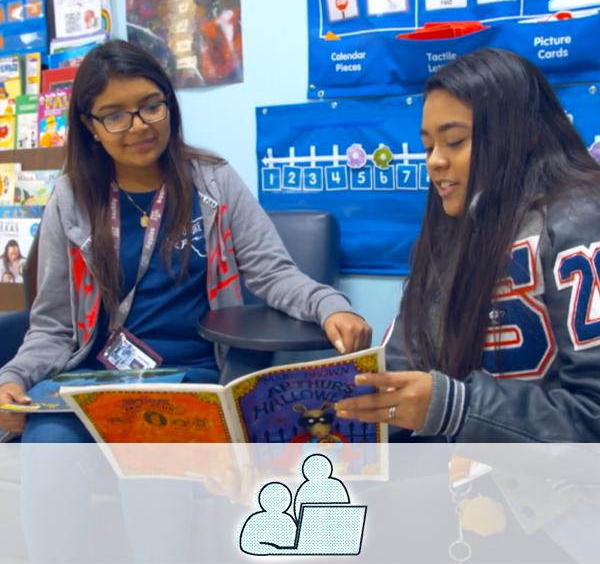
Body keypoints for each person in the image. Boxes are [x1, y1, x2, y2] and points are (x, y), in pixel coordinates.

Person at [0, 39, 371, 442]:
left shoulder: (213, 181)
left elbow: (274, 273)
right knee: (47, 444)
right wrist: (14, 377)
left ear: (169, 105)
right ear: (90, 126)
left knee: (158, 451)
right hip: (94, 381)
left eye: (151, 106)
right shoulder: (71, 199)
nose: (139, 125)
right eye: (115, 116)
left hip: (188, 379)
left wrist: (331, 307)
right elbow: (53, 325)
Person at [336, 48, 600, 442]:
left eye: (455, 141)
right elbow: (407, 359)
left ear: (524, 134)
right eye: (428, 147)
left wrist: (453, 408)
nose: (435, 162)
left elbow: (592, 415)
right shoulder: (451, 230)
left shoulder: (581, 221)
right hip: (474, 484)